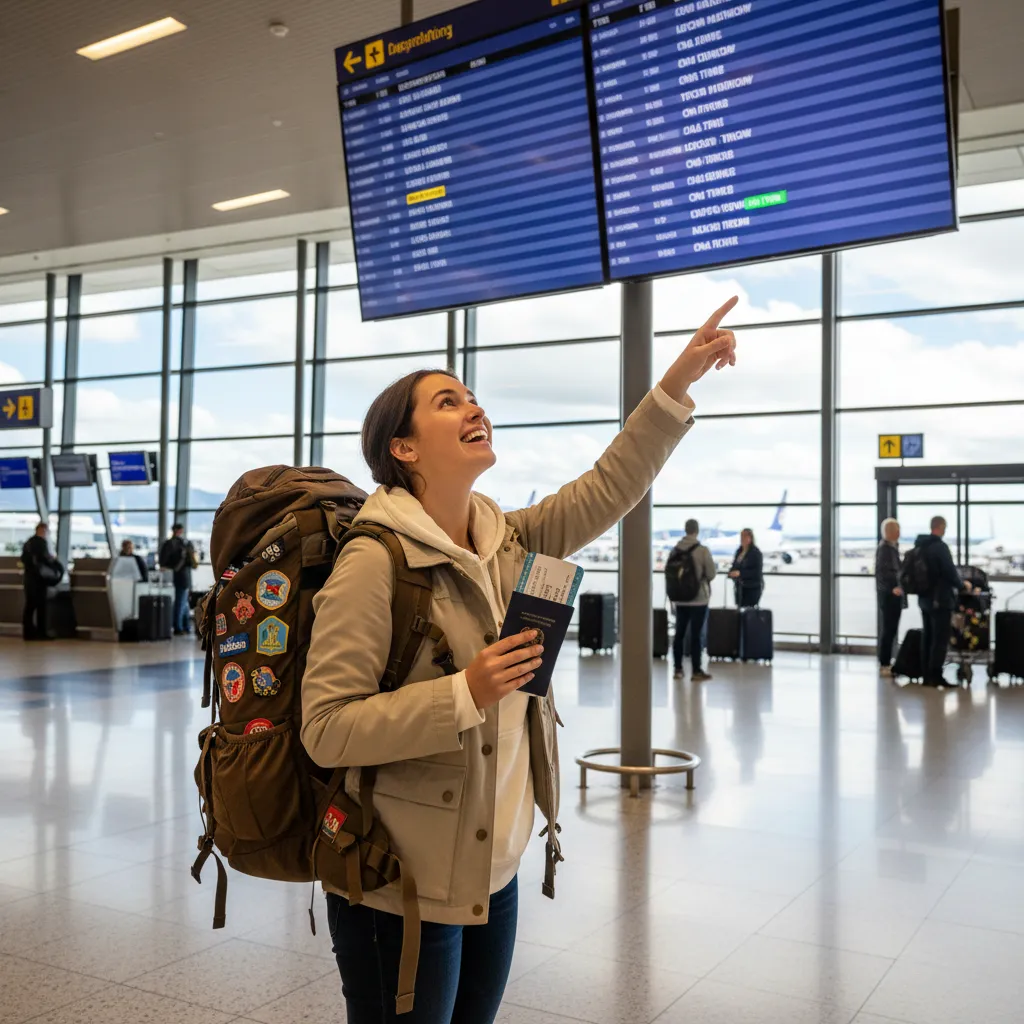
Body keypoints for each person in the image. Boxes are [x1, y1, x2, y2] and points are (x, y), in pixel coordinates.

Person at [301, 298, 739, 1024]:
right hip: (396, 882)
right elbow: (327, 728)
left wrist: (678, 381)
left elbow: (606, 488)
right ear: (403, 449)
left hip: (490, 868)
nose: (475, 407)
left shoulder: (504, 541)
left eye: (474, 397)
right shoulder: (373, 561)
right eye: (448, 402)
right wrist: (463, 692)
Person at [913, 515, 966, 687]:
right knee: (940, 639)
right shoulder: (940, 548)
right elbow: (950, 572)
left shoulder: (921, 546)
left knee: (927, 637)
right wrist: (962, 585)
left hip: (924, 600)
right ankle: (936, 675)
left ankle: (926, 675)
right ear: (941, 527)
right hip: (940, 600)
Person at [667, 519, 717, 682]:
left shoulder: (675, 550)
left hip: (680, 599)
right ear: (697, 530)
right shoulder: (702, 550)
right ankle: (696, 670)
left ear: (685, 530)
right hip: (698, 600)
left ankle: (678, 669)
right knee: (696, 635)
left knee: (679, 634)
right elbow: (711, 574)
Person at [21, 523, 61, 641]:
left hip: (29, 579)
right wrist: (55, 564)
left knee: (30, 606)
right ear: (42, 530)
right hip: (39, 580)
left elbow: (24, 559)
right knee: (41, 606)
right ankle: (41, 632)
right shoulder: (41, 543)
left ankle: (27, 632)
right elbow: (45, 559)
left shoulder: (28, 543)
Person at [875, 518, 905, 676]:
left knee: (891, 630)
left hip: (891, 595)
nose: (899, 533)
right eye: (897, 530)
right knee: (889, 630)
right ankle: (884, 663)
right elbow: (883, 574)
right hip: (890, 597)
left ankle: (887, 662)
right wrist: (893, 588)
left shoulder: (890, 548)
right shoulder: (886, 549)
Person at [159, 523, 196, 635]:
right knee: (182, 602)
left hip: (175, 575)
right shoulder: (185, 544)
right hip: (184, 576)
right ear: (180, 530)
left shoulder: (168, 544)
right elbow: (191, 562)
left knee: (183, 602)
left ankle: (184, 626)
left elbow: (163, 561)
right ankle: (180, 627)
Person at [728, 528, 763, 607]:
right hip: (740, 588)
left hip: (751, 589)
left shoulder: (756, 553)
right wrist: (731, 572)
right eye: (741, 536)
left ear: (750, 538)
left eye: (744, 536)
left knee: (748, 612)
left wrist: (741, 573)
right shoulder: (739, 551)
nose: (742, 539)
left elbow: (757, 572)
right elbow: (735, 565)